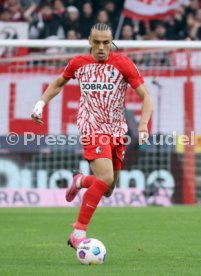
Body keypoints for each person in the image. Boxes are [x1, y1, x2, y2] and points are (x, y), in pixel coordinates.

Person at [31, 23, 152, 250]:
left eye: (106, 42)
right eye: (96, 42)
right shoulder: (79, 63)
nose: (101, 47)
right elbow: (58, 83)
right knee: (105, 178)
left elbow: (146, 96)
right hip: (91, 127)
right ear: (89, 41)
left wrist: (143, 125)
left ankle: (81, 181)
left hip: (117, 130)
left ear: (111, 42)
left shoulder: (123, 64)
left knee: (108, 189)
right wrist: (40, 104)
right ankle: (78, 232)